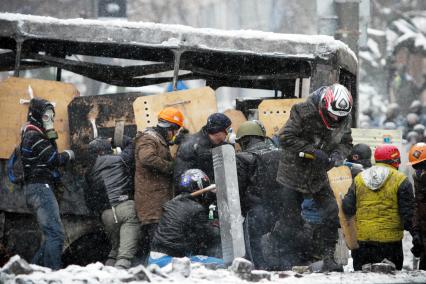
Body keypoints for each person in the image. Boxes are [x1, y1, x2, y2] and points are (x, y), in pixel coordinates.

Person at [263, 83, 353, 271]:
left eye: (340, 116)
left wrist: (337, 154)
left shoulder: (344, 118)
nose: (336, 119)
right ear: (324, 105)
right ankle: (273, 249)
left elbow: (346, 142)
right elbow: (286, 137)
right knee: (291, 221)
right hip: (292, 172)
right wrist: (313, 151)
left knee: (330, 211)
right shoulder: (303, 111)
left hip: (317, 175)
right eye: (333, 115)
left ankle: (325, 256)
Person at [21, 98, 74, 270]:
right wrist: (69, 154)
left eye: (52, 117)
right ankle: (53, 275)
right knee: (56, 235)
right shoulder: (33, 135)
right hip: (40, 188)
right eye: (46, 117)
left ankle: (31, 273)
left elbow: (49, 153)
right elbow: (53, 159)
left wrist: (50, 132)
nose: (50, 120)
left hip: (36, 189)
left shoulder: (33, 134)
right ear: (37, 116)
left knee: (51, 236)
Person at [342, 144, 415, 270]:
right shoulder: (401, 180)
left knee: (362, 280)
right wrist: (417, 236)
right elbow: (408, 215)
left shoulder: (359, 178)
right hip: (391, 244)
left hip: (364, 243)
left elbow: (348, 207)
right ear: (396, 161)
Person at [134, 107, 184, 263]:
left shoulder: (157, 139)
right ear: (167, 128)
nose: (174, 135)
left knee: (158, 243)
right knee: (156, 244)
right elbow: (147, 158)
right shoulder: (149, 139)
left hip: (158, 201)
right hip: (151, 202)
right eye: (173, 131)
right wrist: (170, 167)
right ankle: (153, 271)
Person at [85, 136, 139, 269]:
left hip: (107, 214)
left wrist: (100, 213)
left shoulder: (89, 172)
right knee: (125, 255)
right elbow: (133, 144)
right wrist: (116, 139)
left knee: (115, 250)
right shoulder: (120, 159)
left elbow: (89, 199)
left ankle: (107, 272)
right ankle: (119, 275)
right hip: (126, 208)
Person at [149, 169, 222, 267]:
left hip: (154, 257)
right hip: (171, 259)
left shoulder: (172, 203)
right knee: (222, 264)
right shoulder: (196, 209)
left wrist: (209, 200)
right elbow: (209, 234)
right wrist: (216, 221)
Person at [235, 120, 281, 269]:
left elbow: (238, 189)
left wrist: (240, 211)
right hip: (281, 208)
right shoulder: (279, 153)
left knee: (252, 243)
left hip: (256, 209)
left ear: (245, 140)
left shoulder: (243, 158)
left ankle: (259, 269)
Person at [174, 113, 232, 185]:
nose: (229, 133)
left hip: (219, 191)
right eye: (228, 129)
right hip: (199, 192)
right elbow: (180, 177)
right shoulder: (189, 146)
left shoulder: (224, 146)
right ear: (217, 130)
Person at [407, 143, 426, 269]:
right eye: (416, 166)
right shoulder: (418, 177)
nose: (418, 169)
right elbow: (418, 204)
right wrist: (416, 232)